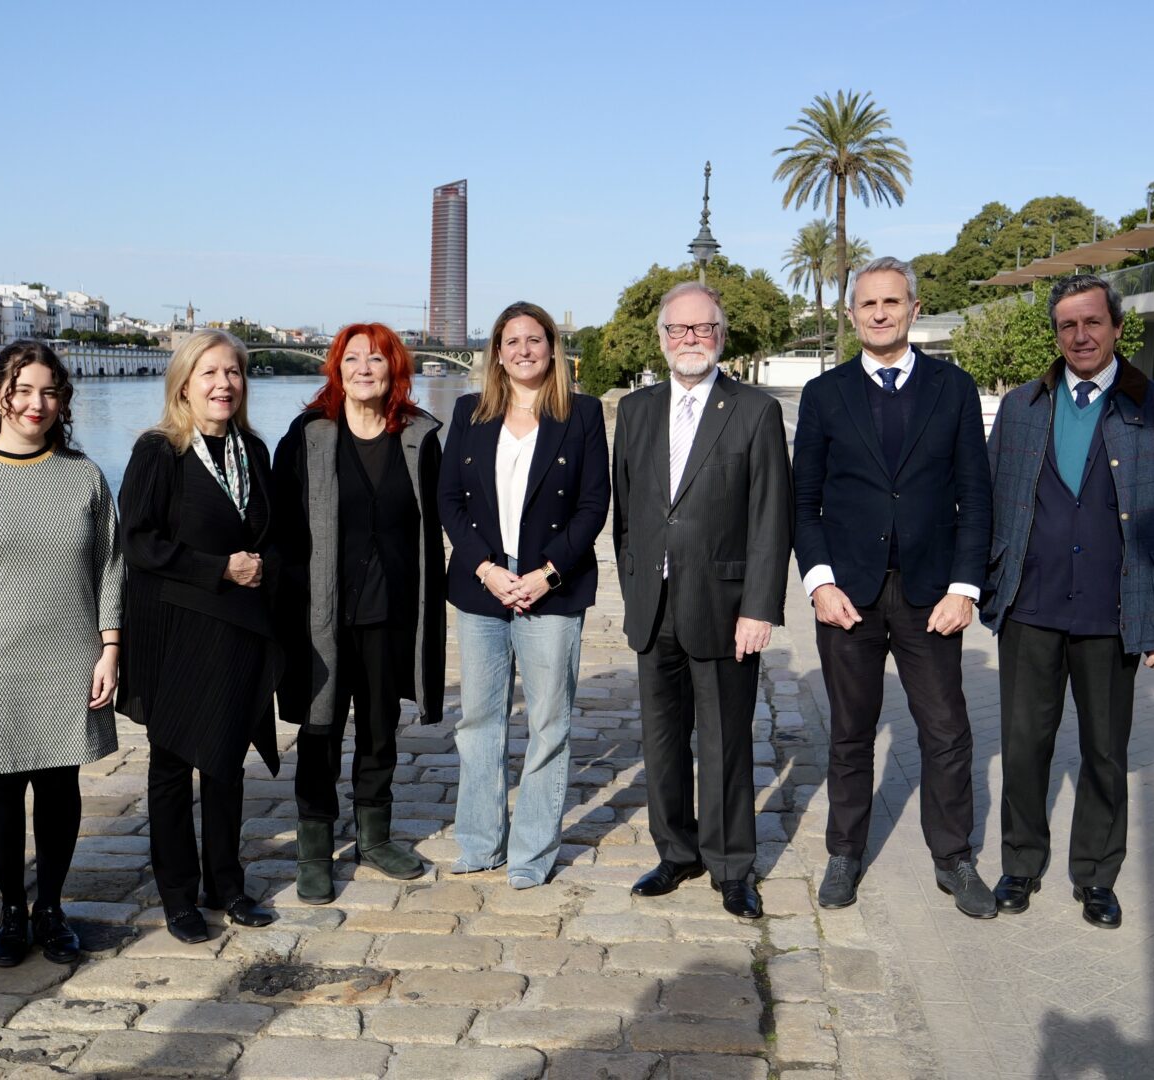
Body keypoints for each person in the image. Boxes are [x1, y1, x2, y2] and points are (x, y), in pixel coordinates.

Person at [981, 275, 1154, 929]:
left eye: (1092, 323)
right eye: (1067, 325)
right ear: (1056, 333)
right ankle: (1020, 865)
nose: (1080, 335)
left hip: (1114, 614)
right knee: (1023, 747)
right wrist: (968, 588)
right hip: (1029, 608)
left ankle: (1097, 876)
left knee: (1105, 752)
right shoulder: (1022, 406)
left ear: (1116, 328)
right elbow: (987, 502)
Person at [791, 257, 995, 918]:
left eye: (891, 302)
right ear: (852, 314)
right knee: (850, 732)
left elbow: (976, 496)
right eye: (868, 304)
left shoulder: (954, 388)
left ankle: (954, 857)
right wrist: (819, 583)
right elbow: (804, 502)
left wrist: (965, 588)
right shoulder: (824, 394)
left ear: (913, 308)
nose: (879, 313)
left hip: (930, 593)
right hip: (847, 595)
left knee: (947, 731)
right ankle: (845, 853)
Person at [0, 341, 123, 966]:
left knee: (61, 785)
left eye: (50, 392)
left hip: (70, 655)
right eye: (24, 390)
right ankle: (11, 910)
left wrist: (110, 648)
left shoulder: (84, 476)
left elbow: (112, 566)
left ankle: (52, 908)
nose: (38, 404)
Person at [612, 282, 792, 919]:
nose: (690, 339)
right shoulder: (634, 411)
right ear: (662, 338)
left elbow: (771, 518)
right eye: (678, 329)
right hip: (652, 605)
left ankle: (731, 866)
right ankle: (676, 851)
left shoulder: (754, 411)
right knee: (662, 740)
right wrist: (635, 584)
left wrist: (759, 608)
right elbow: (627, 514)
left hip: (725, 606)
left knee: (725, 743)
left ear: (721, 334)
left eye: (702, 328)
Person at [439, 301, 609, 889]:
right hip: (482, 586)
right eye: (511, 341)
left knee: (548, 723)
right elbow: (449, 501)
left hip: (551, 588)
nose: (523, 350)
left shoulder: (582, 414)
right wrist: (485, 568)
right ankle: (481, 842)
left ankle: (532, 852)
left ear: (552, 348)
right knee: (479, 720)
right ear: (497, 353)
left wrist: (548, 573)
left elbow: (594, 504)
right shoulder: (469, 412)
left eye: (534, 339)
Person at [118, 330, 281, 939]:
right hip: (174, 628)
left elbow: (273, 533)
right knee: (172, 766)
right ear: (184, 384)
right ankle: (178, 897)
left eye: (233, 372)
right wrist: (220, 569)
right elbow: (138, 541)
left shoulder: (252, 450)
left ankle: (227, 885)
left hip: (237, 627)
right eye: (209, 373)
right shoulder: (159, 451)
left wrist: (263, 568)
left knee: (226, 763)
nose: (223, 384)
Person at [276, 323, 445, 905]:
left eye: (376, 358)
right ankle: (314, 847)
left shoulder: (420, 436)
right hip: (321, 611)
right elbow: (278, 521)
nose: (363, 369)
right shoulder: (308, 435)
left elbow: (445, 514)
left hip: (391, 610)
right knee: (319, 729)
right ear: (336, 369)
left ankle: (374, 837)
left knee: (378, 726)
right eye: (352, 359)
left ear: (394, 369)